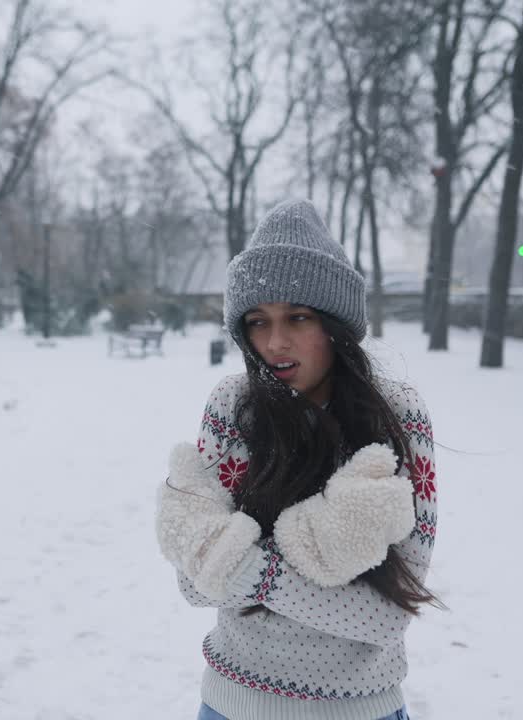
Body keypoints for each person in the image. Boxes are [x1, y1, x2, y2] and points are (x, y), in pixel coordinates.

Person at [156, 199, 439, 720]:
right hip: (232, 704)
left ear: (336, 325)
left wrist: (255, 573)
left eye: (298, 317)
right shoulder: (233, 408)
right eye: (257, 321)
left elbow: (387, 613)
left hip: (361, 710)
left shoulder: (395, 417)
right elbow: (194, 583)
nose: (275, 342)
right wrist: (316, 572)